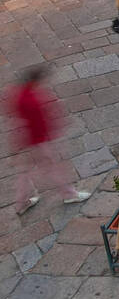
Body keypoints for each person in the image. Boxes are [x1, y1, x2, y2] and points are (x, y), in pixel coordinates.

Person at [5, 66, 91, 212]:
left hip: (23, 141)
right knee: (54, 168)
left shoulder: (16, 93)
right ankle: (69, 194)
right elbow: (40, 123)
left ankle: (21, 203)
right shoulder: (32, 99)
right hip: (36, 142)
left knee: (24, 173)